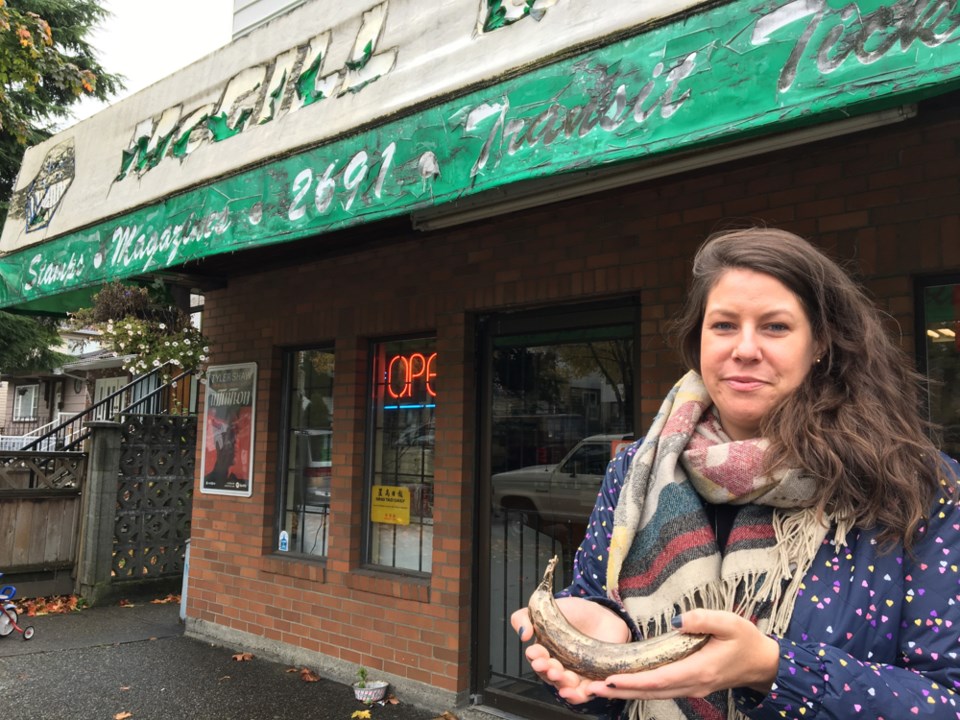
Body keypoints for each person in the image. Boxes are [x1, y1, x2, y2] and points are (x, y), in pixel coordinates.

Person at [511, 227, 960, 720]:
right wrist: (594, 636)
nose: (744, 349)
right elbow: (607, 648)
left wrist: (772, 668)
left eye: (775, 327)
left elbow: (946, 699)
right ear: (697, 339)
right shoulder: (636, 469)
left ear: (820, 345)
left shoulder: (916, 485)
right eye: (724, 325)